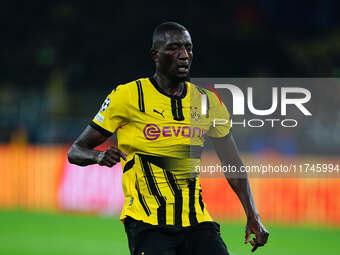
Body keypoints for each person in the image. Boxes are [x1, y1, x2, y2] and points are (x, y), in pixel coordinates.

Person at [68, 21, 269, 255]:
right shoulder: (128, 96)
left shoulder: (207, 101)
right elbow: (76, 150)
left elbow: (232, 162)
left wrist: (252, 214)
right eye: (174, 48)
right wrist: (99, 155)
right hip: (148, 223)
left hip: (197, 222)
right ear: (155, 54)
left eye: (188, 47)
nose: (184, 55)